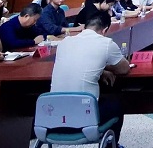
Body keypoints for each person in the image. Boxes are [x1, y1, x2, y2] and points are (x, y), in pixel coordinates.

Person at [51, 11, 129, 146]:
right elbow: (124, 69)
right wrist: (104, 68)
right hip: (85, 118)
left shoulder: (65, 42)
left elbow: (76, 63)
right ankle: (112, 145)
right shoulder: (106, 43)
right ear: (105, 30)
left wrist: (101, 70)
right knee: (117, 103)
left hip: (53, 116)